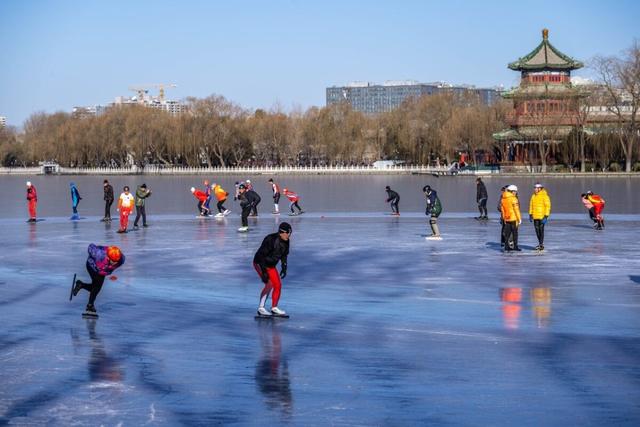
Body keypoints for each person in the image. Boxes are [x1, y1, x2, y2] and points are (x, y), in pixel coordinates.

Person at [71, 244, 125, 316]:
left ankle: (81, 285)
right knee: (96, 287)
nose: (115, 263)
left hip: (102, 271)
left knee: (95, 287)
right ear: (108, 257)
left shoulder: (121, 259)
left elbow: (112, 266)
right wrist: (97, 250)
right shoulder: (99, 253)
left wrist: (107, 271)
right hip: (91, 266)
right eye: (113, 261)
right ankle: (90, 305)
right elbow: (90, 246)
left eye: (116, 261)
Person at [253, 222, 291, 317]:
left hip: (271, 265)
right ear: (282, 232)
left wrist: (284, 267)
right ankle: (261, 308)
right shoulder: (271, 239)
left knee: (277, 285)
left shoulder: (286, 241)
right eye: (287, 233)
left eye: (290, 233)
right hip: (260, 263)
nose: (289, 235)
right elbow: (261, 255)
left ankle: (274, 308)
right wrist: (264, 272)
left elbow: (284, 255)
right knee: (269, 284)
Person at [528, 183, 551, 251]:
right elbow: (531, 205)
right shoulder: (533, 196)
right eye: (534, 188)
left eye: (536, 188)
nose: (534, 189)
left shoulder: (545, 196)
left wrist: (546, 216)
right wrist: (530, 214)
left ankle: (541, 244)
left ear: (539, 189)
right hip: (535, 216)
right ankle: (540, 243)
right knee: (537, 230)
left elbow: (548, 206)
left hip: (542, 216)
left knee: (541, 230)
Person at [501, 184, 521, 251]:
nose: (515, 193)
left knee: (507, 234)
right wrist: (519, 219)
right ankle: (515, 246)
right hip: (513, 218)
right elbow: (516, 210)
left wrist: (504, 218)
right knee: (515, 233)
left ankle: (506, 247)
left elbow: (502, 210)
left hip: (507, 218)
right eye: (515, 191)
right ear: (512, 191)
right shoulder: (514, 199)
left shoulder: (503, 198)